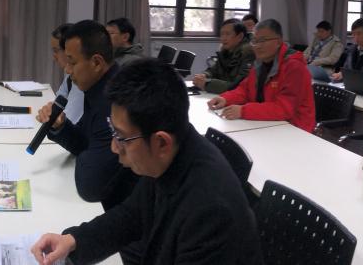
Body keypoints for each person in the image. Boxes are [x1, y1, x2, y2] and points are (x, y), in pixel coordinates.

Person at [31, 59, 262, 265]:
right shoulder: (172, 152)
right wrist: (73, 240)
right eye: (113, 131)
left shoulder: (209, 213)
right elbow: (133, 214)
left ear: (161, 142)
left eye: (122, 137)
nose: (114, 147)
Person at [35, 20, 137, 210]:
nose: (67, 69)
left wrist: (87, 151)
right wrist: (61, 126)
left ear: (97, 63)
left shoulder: (115, 101)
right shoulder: (97, 88)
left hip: (122, 208)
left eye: (72, 62)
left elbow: (91, 185)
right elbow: (84, 142)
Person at [208, 19, 316, 133]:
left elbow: (284, 108)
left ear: (279, 41)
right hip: (266, 123)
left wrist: (243, 111)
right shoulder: (260, 63)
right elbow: (245, 90)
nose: (257, 46)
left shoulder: (294, 66)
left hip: (295, 129)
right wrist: (225, 99)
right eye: (255, 41)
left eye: (263, 40)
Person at [37, 23, 86, 124]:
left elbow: (68, 117)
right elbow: (59, 100)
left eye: (56, 51)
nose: (54, 56)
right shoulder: (70, 75)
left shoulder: (82, 80)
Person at [192, 20, 254, 94]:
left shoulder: (248, 53)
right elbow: (214, 70)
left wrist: (207, 84)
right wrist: (204, 75)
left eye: (227, 34)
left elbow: (238, 86)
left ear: (240, 36)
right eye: (222, 34)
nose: (223, 38)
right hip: (223, 95)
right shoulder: (225, 51)